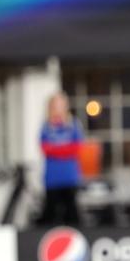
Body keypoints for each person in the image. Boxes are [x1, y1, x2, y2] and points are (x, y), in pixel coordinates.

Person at [39, 92, 82, 226]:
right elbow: (45, 148)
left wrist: (57, 149)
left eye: (61, 105)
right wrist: (64, 150)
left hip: (70, 177)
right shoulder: (46, 126)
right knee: (50, 214)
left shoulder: (73, 124)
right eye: (55, 105)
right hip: (52, 178)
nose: (58, 108)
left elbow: (77, 147)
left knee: (72, 214)